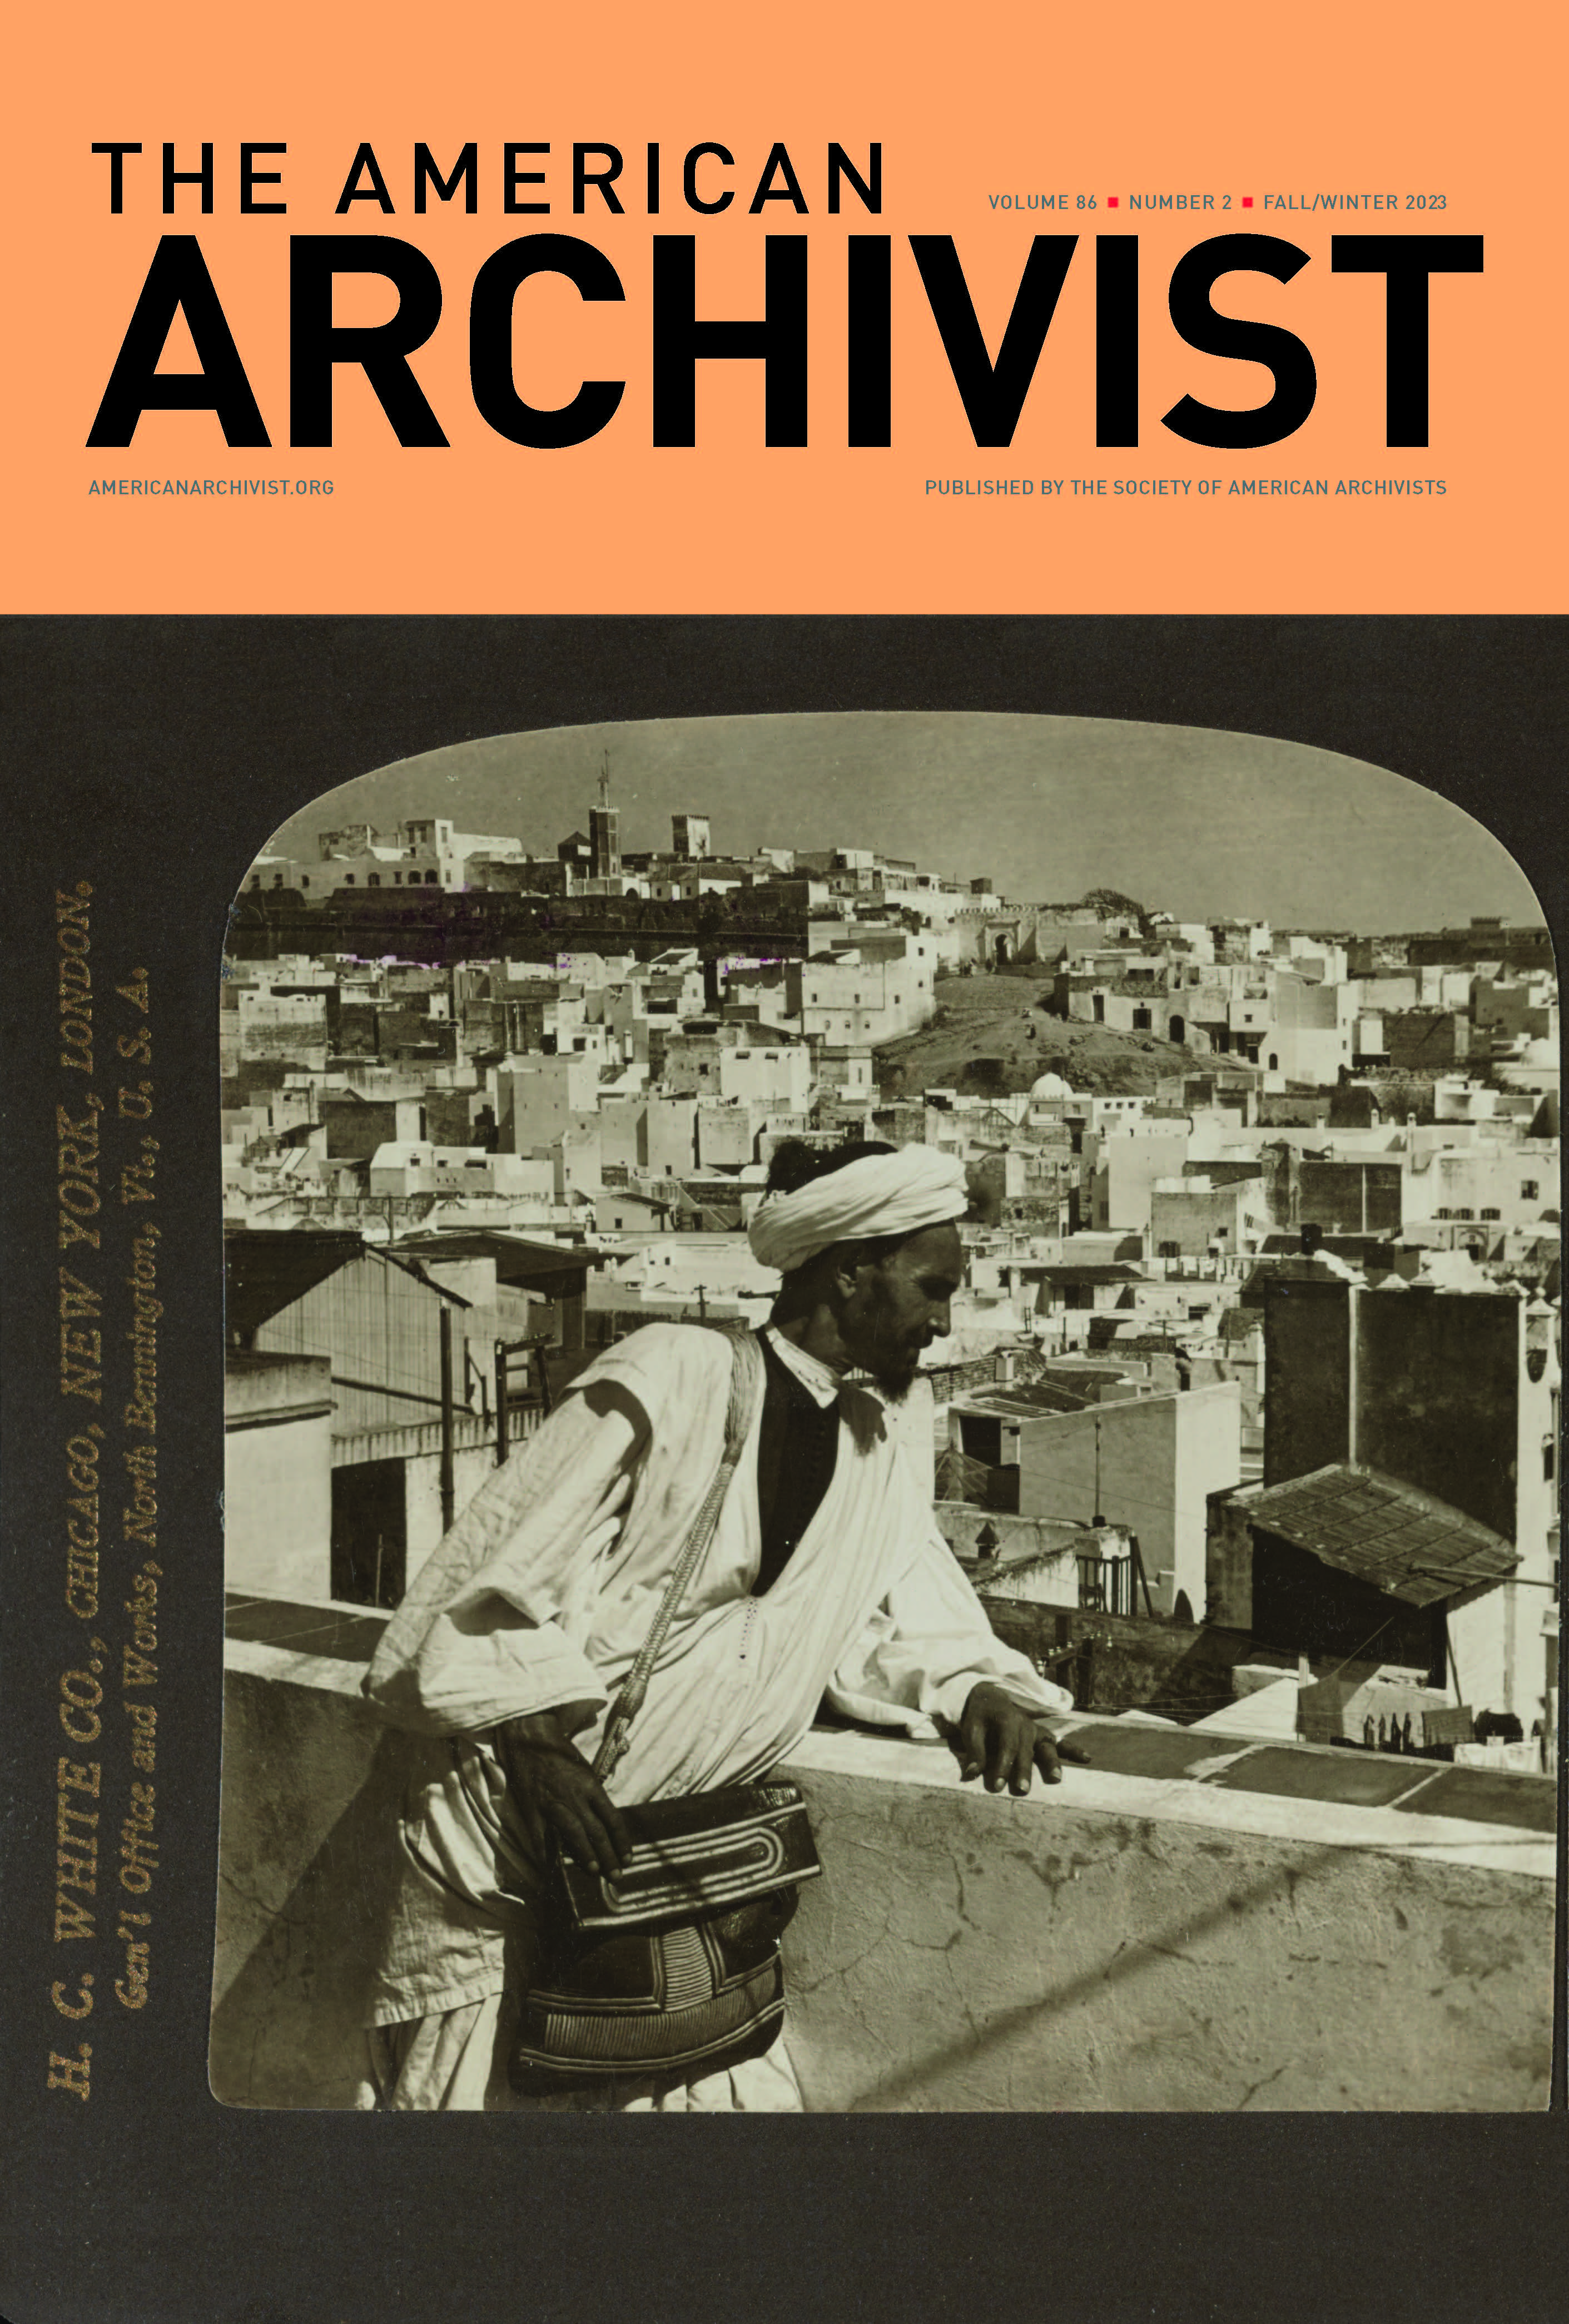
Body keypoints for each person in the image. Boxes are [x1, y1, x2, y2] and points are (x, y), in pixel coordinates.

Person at [358, 1139, 1085, 2112]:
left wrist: (974, 1686)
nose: (944, 1322)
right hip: (513, 1851)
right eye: (930, 1287)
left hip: (686, 1874)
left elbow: (900, 1616)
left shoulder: (874, 1448)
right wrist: (532, 1736)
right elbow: (491, 1569)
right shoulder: (678, 1371)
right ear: (849, 1269)